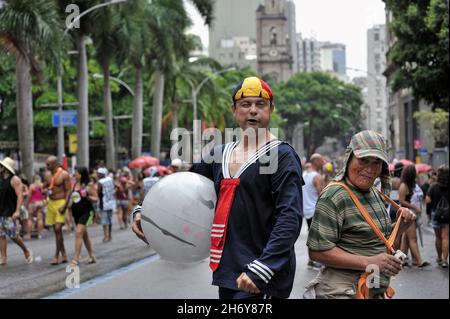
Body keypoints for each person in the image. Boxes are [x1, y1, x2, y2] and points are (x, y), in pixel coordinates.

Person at [132, 76, 304, 299]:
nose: (253, 110)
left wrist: (264, 267)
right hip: (229, 272)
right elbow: (182, 189)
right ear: (234, 110)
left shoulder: (282, 155)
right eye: (245, 104)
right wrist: (143, 212)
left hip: (263, 276)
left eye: (260, 104)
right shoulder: (219, 154)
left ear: (271, 109)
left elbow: (289, 217)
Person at [305, 131, 416, 299]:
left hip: (371, 290)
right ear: (349, 157)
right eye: (363, 160)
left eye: (376, 162)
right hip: (342, 292)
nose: (370, 169)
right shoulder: (335, 195)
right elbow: (317, 252)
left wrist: (402, 225)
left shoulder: (375, 193)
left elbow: (375, 239)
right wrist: (368, 262)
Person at [0, 157, 33, 265]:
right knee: (1, 235)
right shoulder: (1, 179)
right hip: (1, 209)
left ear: (6, 168)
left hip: (9, 210)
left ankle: (26, 251)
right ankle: (3, 257)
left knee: (13, 234)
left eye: (2, 166)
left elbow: (19, 195)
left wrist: (17, 211)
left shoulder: (14, 180)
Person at [399, 164, 430, 268]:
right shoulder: (404, 185)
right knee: (413, 238)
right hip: (407, 215)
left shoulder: (414, 184)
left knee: (406, 239)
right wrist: (414, 207)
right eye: (415, 172)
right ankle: (419, 261)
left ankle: (401, 260)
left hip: (414, 215)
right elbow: (402, 201)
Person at [67, 166, 97, 266]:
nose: (74, 173)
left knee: (79, 232)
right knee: (84, 235)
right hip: (76, 213)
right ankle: (92, 255)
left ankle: (76, 258)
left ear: (81, 174)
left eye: (76, 172)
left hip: (87, 212)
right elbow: (72, 198)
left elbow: (96, 198)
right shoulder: (74, 184)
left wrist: (88, 196)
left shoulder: (88, 185)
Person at [44, 156, 71, 265]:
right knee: (56, 231)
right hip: (51, 203)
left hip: (61, 202)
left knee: (58, 228)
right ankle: (63, 254)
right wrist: (43, 188)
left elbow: (68, 191)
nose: (47, 166)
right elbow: (46, 186)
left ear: (55, 164)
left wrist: (65, 206)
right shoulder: (47, 175)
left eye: (48, 164)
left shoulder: (64, 174)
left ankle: (56, 255)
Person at [302, 154, 325, 270]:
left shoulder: (305, 174)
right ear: (316, 161)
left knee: (312, 235)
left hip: (306, 210)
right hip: (315, 209)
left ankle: (311, 260)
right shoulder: (316, 176)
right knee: (317, 236)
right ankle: (315, 260)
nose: (323, 162)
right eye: (321, 160)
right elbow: (322, 194)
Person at [426, 165, 449, 268]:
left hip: (436, 214)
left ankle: (439, 257)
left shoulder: (434, 187)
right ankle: (445, 260)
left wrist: (428, 214)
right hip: (448, 216)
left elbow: (427, 200)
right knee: (446, 237)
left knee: (438, 237)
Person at [97, 167, 116, 242]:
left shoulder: (100, 181)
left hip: (103, 202)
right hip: (111, 202)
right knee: (109, 220)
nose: (98, 175)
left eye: (99, 173)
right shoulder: (110, 179)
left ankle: (105, 236)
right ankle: (110, 235)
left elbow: (98, 192)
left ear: (102, 174)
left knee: (104, 221)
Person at [26, 174, 45, 239]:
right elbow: (44, 195)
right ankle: (40, 234)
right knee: (40, 219)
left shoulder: (32, 186)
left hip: (32, 203)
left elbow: (29, 196)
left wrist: (26, 204)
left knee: (30, 219)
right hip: (40, 203)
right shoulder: (41, 185)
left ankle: (29, 235)